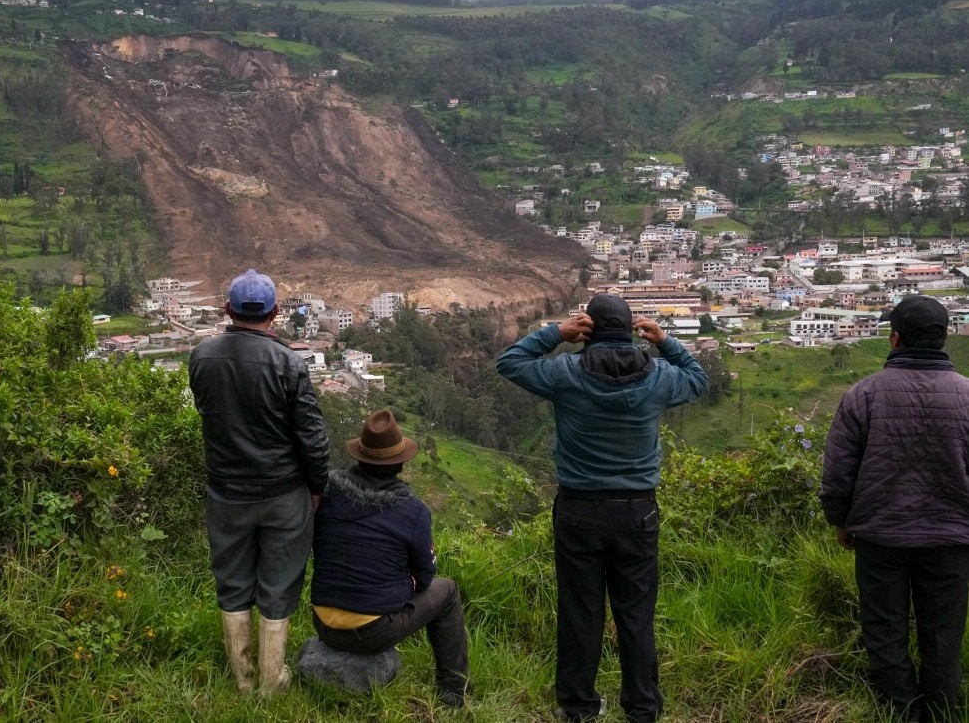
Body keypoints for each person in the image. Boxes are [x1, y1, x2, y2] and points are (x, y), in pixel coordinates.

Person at [496, 293, 707, 723]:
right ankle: (643, 709)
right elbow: (698, 378)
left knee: (580, 614)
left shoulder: (565, 373)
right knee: (636, 615)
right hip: (637, 512)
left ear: (587, 326)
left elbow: (510, 362)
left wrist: (556, 333)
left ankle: (578, 709)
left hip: (579, 511)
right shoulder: (660, 377)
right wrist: (666, 341)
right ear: (632, 329)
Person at [820, 294, 969, 722]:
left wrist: (841, 521)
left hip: (880, 536)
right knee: (943, 636)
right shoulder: (965, 396)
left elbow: (838, 470)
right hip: (951, 539)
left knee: (885, 632)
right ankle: (941, 715)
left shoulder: (863, 395)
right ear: (943, 339)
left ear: (894, 339)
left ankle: (900, 713)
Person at [188, 269, 330, 694]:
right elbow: (312, 436)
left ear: (228, 310)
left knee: (231, 581)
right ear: (275, 313)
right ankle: (272, 681)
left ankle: (243, 680)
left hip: (226, 493)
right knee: (280, 581)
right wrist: (317, 486)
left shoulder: (202, 356)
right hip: (284, 493)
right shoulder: (288, 362)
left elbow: (207, 412)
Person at [310, 409, 470, 707]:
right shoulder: (412, 511)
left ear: (359, 456)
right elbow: (424, 576)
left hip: (322, 623)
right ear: (400, 463)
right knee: (446, 591)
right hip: (371, 633)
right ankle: (453, 691)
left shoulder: (328, 493)